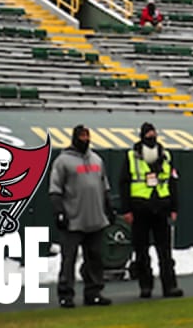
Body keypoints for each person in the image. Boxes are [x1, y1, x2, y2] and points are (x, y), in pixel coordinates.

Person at [50, 125, 114, 308]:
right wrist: (59, 212)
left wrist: (108, 207)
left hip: (95, 218)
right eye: (82, 136)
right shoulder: (63, 161)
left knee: (94, 258)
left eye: (87, 135)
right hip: (73, 218)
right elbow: (55, 189)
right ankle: (66, 294)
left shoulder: (96, 159)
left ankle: (93, 292)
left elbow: (104, 186)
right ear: (74, 138)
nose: (85, 139)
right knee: (68, 259)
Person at [120, 122, 183, 299]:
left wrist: (174, 207)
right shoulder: (132, 157)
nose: (151, 137)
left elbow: (172, 183)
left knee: (165, 252)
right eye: (148, 134)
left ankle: (169, 286)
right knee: (141, 251)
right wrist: (126, 210)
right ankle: (145, 286)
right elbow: (124, 184)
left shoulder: (166, 155)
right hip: (139, 209)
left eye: (153, 133)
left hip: (161, 208)